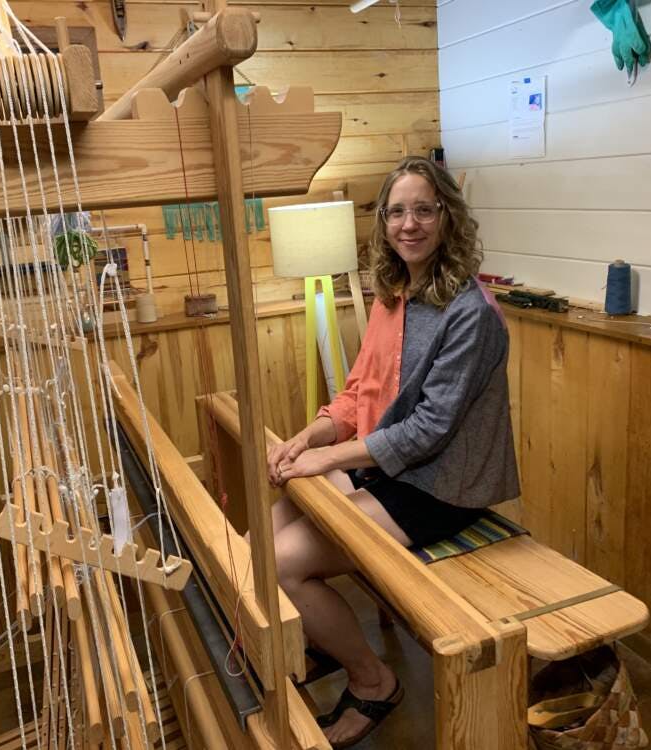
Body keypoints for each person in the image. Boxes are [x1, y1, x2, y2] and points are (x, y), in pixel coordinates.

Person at [266, 155, 520, 748]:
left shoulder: (470, 314)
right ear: (382, 222)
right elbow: (358, 393)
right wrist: (312, 434)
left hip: (443, 487)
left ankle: (373, 681)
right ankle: (320, 642)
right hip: (387, 469)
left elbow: (429, 430)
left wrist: (327, 461)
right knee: (260, 543)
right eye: (397, 211)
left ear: (448, 219)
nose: (410, 223)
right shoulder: (394, 293)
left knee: (283, 565)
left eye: (424, 210)